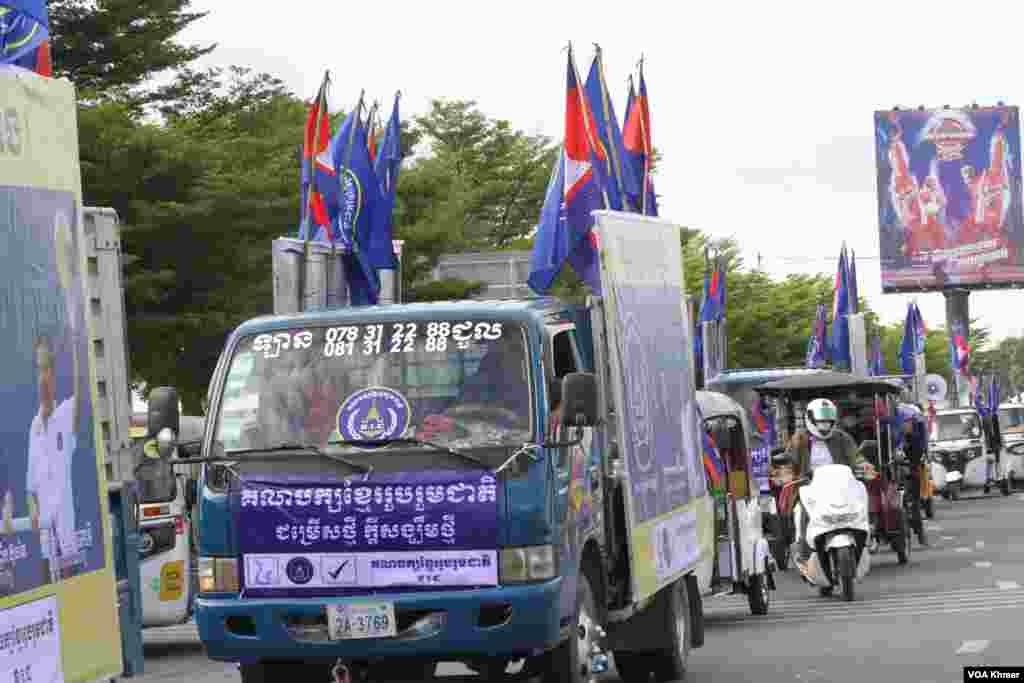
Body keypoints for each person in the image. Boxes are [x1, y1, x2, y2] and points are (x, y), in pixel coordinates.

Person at [779, 398, 868, 574]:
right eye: (821, 421)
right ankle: (803, 554)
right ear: (810, 420)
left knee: (860, 504)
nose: (825, 425)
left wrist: (864, 467)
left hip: (841, 488)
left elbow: (856, 457)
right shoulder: (799, 439)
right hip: (811, 490)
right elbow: (788, 461)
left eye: (828, 421)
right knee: (801, 513)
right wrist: (786, 474)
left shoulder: (842, 438)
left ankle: (864, 540)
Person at [25, 334, 82, 584]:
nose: (43, 378)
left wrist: (77, 347)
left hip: (68, 547)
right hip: (46, 549)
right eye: (39, 369)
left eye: (47, 368)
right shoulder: (34, 428)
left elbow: (81, 390)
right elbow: (31, 485)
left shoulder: (67, 412)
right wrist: (33, 508)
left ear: (55, 373)